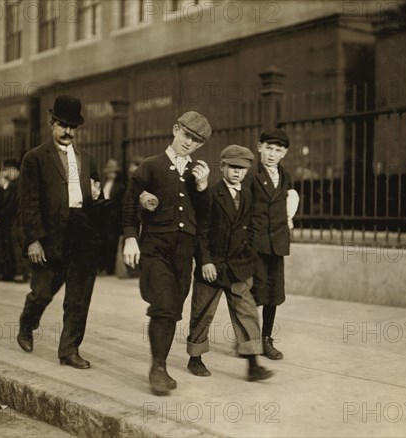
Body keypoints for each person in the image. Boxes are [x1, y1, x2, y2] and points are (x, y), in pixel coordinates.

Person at [122, 111, 211, 396]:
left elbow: (205, 217)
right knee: (162, 302)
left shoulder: (198, 172)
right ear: (175, 130)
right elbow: (127, 206)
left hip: (184, 251)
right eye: (186, 135)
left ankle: (160, 365)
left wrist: (203, 187)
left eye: (196, 141)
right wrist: (130, 239)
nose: (189, 143)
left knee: (173, 308)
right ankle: (158, 368)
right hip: (155, 247)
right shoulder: (150, 166)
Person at [16, 95, 104, 369]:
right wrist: (34, 240)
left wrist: (97, 198)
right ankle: (27, 325)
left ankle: (69, 350)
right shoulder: (34, 158)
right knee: (42, 292)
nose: (68, 132)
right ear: (51, 123)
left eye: (72, 127)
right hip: (50, 235)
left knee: (78, 298)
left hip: (82, 233)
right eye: (62, 125)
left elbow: (95, 199)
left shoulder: (87, 158)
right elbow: (28, 203)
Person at [187, 145, 273, 382]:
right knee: (202, 312)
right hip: (212, 267)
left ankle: (253, 363)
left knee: (247, 313)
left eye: (242, 169)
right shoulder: (211, 194)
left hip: (239, 267)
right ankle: (195, 358)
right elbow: (201, 231)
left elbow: (253, 229)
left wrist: (249, 259)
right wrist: (205, 261)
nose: (237, 173)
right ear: (222, 167)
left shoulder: (247, 195)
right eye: (233, 167)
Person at [246, 128, 299, 360]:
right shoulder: (250, 174)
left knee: (273, 293)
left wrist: (288, 220)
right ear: (259, 147)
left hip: (277, 243)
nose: (271, 154)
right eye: (268, 148)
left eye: (278, 150)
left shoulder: (285, 175)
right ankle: (249, 339)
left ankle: (266, 338)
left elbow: (287, 202)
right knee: (254, 293)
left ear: (284, 153)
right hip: (256, 243)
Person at [0, 159, 29, 282]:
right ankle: (21, 272)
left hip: (14, 220)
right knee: (18, 246)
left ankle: (19, 272)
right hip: (19, 219)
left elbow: (11, 203)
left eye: (7, 170)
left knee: (15, 246)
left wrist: (0, 215)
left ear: (13, 170)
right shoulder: (20, 182)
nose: (6, 173)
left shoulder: (15, 184)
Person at [99, 158, 127, 275]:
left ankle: (109, 269)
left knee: (111, 244)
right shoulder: (104, 183)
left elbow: (120, 204)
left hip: (114, 219)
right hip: (103, 217)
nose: (111, 174)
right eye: (109, 172)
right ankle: (101, 267)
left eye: (113, 172)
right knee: (102, 243)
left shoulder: (120, 186)